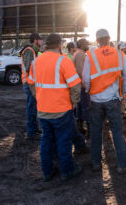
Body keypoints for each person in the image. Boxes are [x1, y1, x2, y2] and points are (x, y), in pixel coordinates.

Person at [27, 33, 83, 182]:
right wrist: (72, 103)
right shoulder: (63, 61)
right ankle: (67, 170)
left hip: (43, 109)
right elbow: (76, 86)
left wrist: (38, 97)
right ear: (59, 45)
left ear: (45, 45)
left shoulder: (36, 62)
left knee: (46, 140)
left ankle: (47, 172)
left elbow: (31, 83)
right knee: (63, 141)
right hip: (61, 110)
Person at [82, 29, 126, 174]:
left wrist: (89, 91)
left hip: (95, 100)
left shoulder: (90, 55)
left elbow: (86, 79)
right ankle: (123, 164)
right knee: (117, 132)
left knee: (95, 132)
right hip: (113, 100)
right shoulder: (119, 54)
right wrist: (122, 94)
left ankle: (96, 163)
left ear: (97, 40)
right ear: (109, 38)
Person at [21, 33, 43, 140]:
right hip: (29, 83)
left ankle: (33, 129)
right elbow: (29, 67)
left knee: (33, 107)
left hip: (33, 83)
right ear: (35, 40)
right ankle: (31, 132)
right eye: (40, 40)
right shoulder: (29, 50)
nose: (42, 42)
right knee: (31, 107)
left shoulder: (34, 51)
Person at [73, 38, 91, 137]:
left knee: (80, 107)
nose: (87, 45)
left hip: (78, 85)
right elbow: (81, 71)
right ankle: (89, 130)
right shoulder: (80, 54)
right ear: (82, 45)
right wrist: (86, 85)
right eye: (86, 43)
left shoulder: (77, 53)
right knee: (86, 107)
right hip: (81, 85)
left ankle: (80, 128)